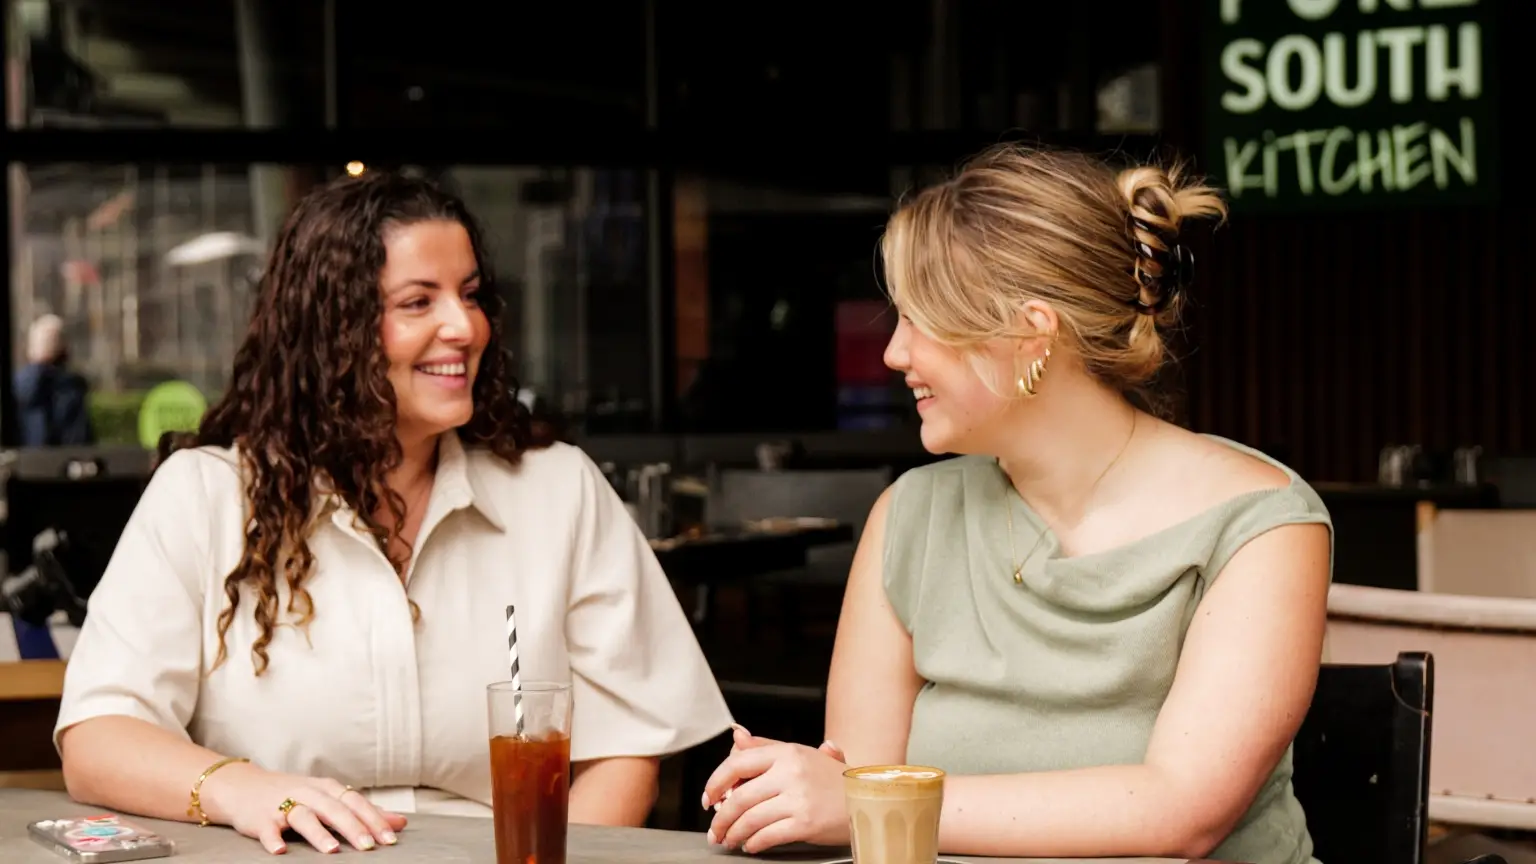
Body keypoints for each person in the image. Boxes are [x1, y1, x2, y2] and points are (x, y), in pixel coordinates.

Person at [55, 171, 734, 855]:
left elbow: (625, 752)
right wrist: (239, 786)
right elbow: (97, 737)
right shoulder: (204, 496)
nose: (464, 326)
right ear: (332, 331)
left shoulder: (559, 489)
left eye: (470, 296)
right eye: (418, 302)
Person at [700, 146, 1332, 864]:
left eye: (920, 319)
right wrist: (794, 793)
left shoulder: (1262, 522)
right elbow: (860, 805)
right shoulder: (911, 516)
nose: (893, 355)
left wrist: (860, 797)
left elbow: (1181, 812)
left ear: (1031, 332)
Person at [14, 313, 94, 447]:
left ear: (31, 348)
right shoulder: (70, 389)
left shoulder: (15, 388)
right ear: (64, 348)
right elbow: (79, 443)